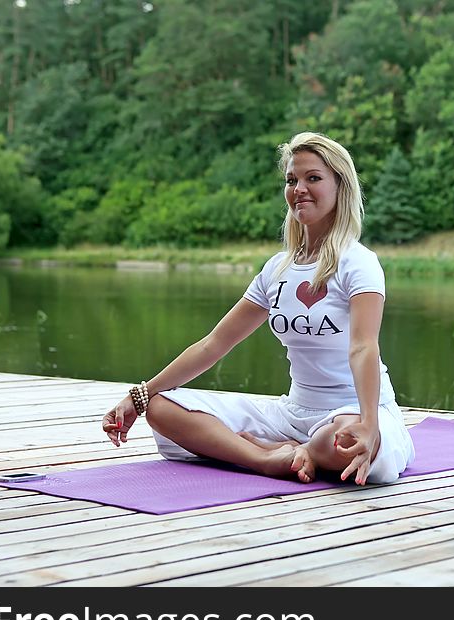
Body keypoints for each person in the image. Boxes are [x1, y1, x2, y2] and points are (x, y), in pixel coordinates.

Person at [101, 132, 414, 485]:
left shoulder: (358, 263)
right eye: (292, 179)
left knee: (345, 442)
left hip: (351, 410)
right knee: (161, 408)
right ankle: (266, 459)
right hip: (292, 411)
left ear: (341, 186)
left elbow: (363, 347)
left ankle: (302, 450)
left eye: (313, 178)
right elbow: (214, 344)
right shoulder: (277, 269)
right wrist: (139, 395)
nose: (299, 188)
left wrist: (370, 425)